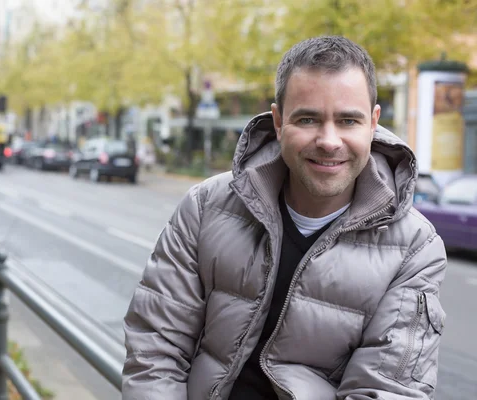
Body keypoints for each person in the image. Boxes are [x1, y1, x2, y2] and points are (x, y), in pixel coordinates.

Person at [122, 36, 447, 400]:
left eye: (348, 120)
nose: (328, 140)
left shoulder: (415, 249)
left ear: (373, 123)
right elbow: (154, 350)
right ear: (278, 122)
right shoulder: (205, 206)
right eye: (307, 119)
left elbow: (386, 390)